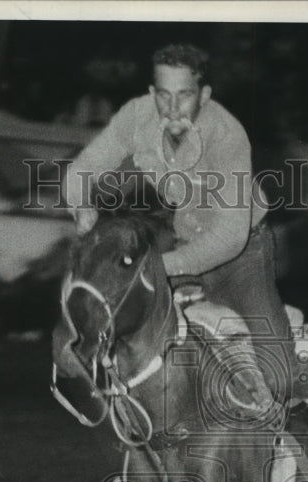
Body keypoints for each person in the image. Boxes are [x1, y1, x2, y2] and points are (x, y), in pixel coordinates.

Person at [62, 42, 293, 418]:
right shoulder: (136, 116)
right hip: (185, 244)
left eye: (184, 95)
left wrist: (157, 268)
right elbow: (83, 168)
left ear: (204, 94)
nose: (172, 108)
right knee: (127, 335)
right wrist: (81, 206)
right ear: (152, 93)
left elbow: (229, 237)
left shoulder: (227, 134)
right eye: (163, 96)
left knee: (279, 374)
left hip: (244, 255)